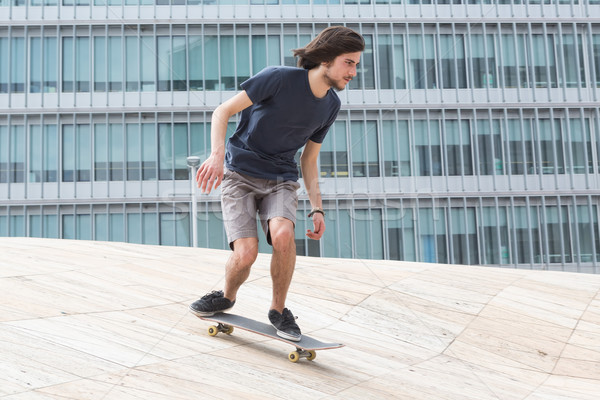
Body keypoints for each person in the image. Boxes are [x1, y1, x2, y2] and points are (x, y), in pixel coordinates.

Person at [189, 26, 365, 342]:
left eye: (356, 64)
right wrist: (216, 154)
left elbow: (308, 160)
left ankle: (278, 310)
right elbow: (223, 110)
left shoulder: (330, 106)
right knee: (246, 254)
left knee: (283, 234)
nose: (354, 71)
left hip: (281, 178)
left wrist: (317, 209)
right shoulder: (278, 78)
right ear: (326, 59)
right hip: (239, 173)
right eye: (349, 62)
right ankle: (227, 296)